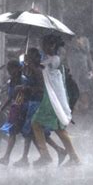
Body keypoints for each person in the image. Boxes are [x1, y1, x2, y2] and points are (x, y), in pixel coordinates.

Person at [31, 35, 81, 166]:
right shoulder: (48, 58)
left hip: (54, 99)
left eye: (45, 44)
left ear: (53, 46)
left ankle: (72, 157)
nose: (43, 47)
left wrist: (32, 63)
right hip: (49, 97)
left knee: (58, 128)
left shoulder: (55, 59)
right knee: (38, 124)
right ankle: (47, 155)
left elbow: (40, 68)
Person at [17, 48, 67, 167]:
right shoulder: (32, 69)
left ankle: (41, 156)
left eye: (29, 56)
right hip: (32, 102)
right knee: (33, 133)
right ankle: (53, 152)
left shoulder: (38, 71)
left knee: (32, 132)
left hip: (37, 103)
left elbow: (40, 89)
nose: (27, 58)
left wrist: (26, 89)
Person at [0, 60, 28, 166]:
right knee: (12, 132)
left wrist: (19, 104)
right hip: (15, 108)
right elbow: (11, 97)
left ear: (17, 69)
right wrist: (1, 109)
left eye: (10, 69)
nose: (9, 72)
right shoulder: (12, 80)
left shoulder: (23, 80)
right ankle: (7, 157)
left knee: (28, 134)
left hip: (22, 108)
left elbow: (23, 95)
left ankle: (24, 158)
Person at [66, 22, 93, 114]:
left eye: (81, 28)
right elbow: (67, 52)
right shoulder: (70, 40)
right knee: (74, 83)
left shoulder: (85, 40)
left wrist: (92, 67)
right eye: (78, 28)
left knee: (84, 84)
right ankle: (74, 105)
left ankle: (84, 105)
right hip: (73, 64)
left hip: (83, 64)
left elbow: (88, 53)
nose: (80, 30)